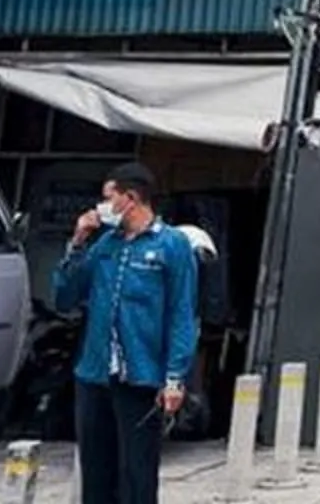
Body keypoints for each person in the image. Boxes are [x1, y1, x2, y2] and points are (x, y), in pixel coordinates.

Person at [54, 162, 201, 504]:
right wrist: (77, 241)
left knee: (136, 472)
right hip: (95, 374)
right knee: (95, 470)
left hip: (141, 376)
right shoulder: (106, 244)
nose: (102, 207)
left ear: (130, 198)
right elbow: (66, 296)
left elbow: (182, 314)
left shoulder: (171, 245)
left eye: (109, 198)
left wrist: (175, 376)